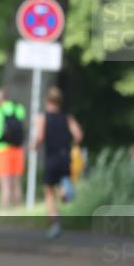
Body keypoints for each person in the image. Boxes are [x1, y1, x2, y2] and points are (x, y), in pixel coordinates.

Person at [33, 86, 83, 239]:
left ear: (47, 100)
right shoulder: (67, 117)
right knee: (63, 182)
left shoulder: (43, 117)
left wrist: (34, 146)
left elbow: (40, 137)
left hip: (51, 157)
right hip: (65, 156)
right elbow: (79, 135)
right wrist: (72, 145)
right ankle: (65, 192)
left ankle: (55, 224)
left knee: (48, 192)